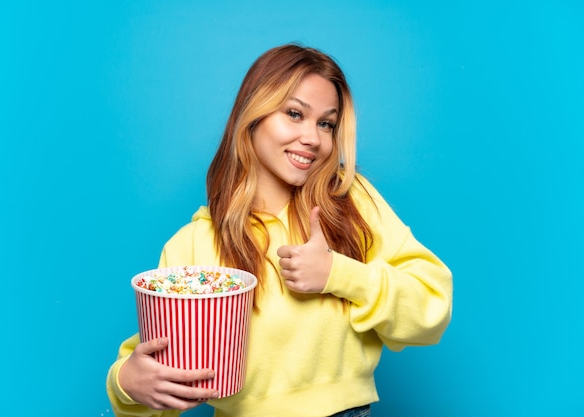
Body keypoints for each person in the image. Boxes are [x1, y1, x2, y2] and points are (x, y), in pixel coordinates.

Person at [106, 44, 453, 417]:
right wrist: (125, 384)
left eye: (326, 123)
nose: (314, 138)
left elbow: (432, 306)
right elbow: (160, 377)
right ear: (253, 114)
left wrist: (339, 273)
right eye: (294, 114)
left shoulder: (347, 202)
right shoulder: (192, 246)